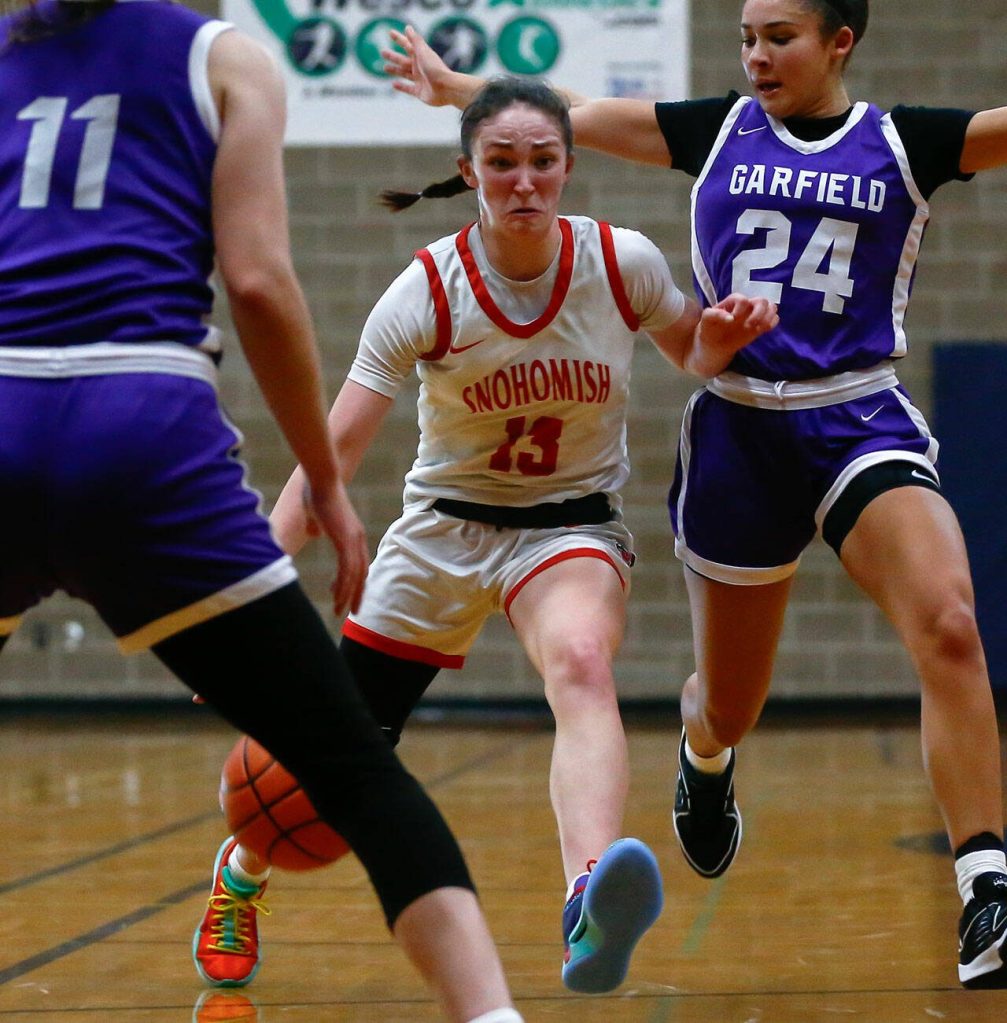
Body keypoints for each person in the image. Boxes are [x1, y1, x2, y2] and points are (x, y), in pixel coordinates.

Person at [380, 0, 1007, 991]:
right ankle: (703, 756)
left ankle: (985, 887)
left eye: (779, 37)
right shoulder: (717, 129)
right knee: (728, 703)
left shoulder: (900, 141)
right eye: (747, 37)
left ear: (838, 41)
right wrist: (457, 90)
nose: (756, 55)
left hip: (855, 417)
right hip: (739, 429)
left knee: (950, 624)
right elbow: (570, 111)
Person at [0, 2, 524, 1021]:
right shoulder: (224, 57)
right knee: (352, 768)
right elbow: (256, 280)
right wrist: (324, 481)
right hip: (139, 431)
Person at [200, 74, 779, 995]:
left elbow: (689, 354)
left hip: (567, 528)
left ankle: (587, 897)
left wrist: (723, 334)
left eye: (541, 162)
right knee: (336, 749)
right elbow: (329, 460)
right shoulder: (426, 290)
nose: (522, 182)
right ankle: (244, 867)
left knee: (582, 663)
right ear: (468, 171)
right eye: (501, 163)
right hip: (442, 532)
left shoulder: (620, 261)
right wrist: (242, 603)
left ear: (567, 168)